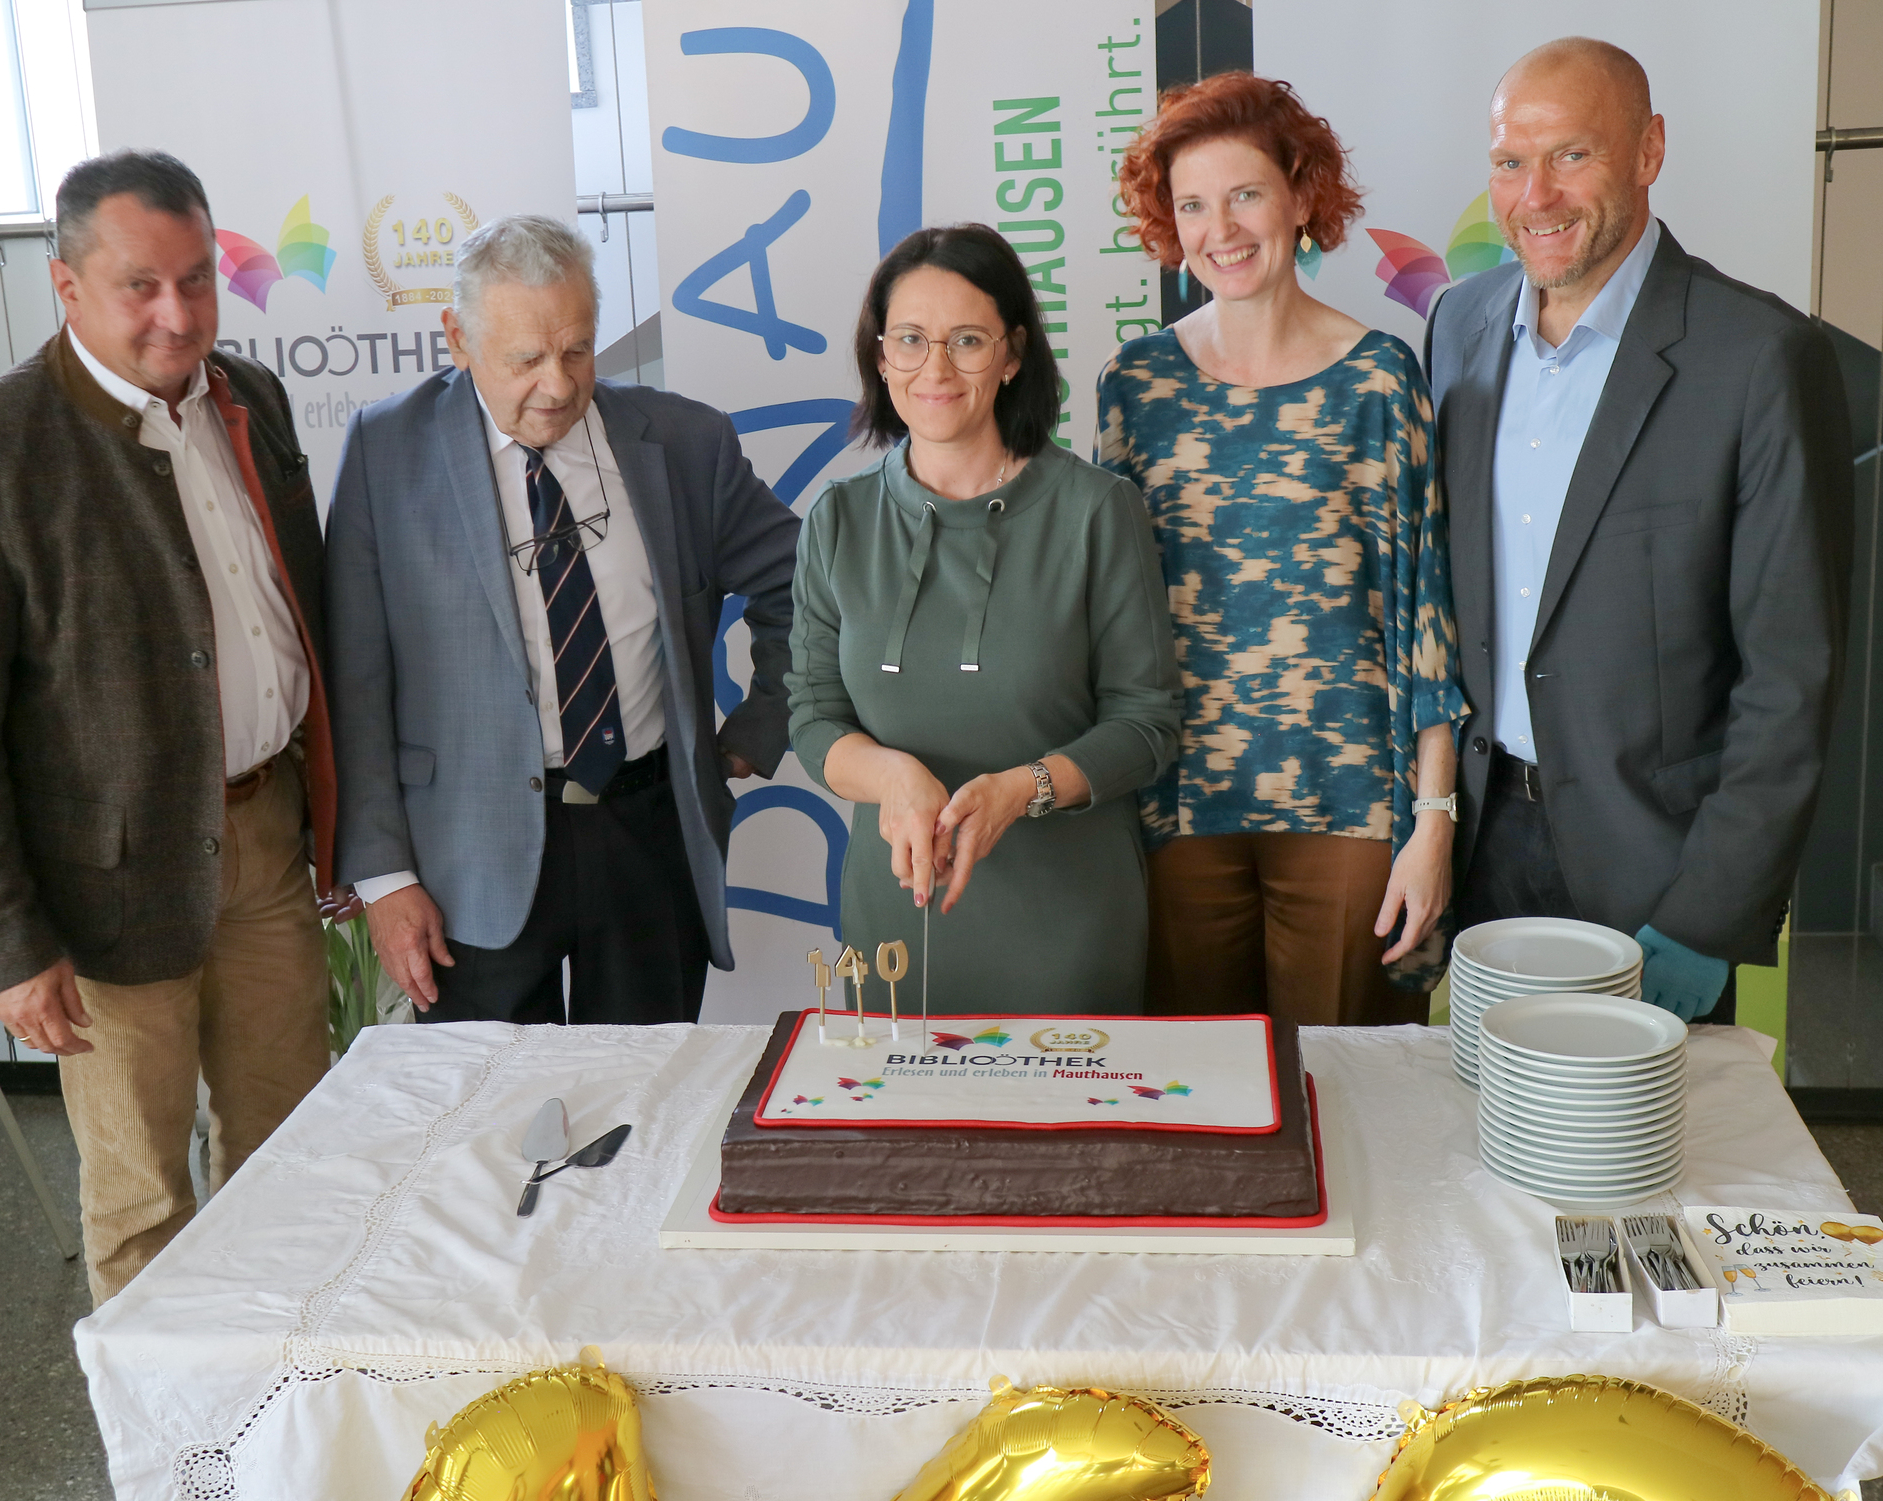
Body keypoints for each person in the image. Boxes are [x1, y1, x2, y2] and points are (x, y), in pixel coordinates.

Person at [0, 150, 337, 1304]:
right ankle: (172, 1469)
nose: (178, 313)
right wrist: (7, 944)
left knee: (290, 1154)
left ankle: (280, 1442)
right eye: (142, 284)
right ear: (66, 284)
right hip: (103, 895)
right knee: (145, 1197)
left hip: (264, 845)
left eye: (196, 280)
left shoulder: (251, 396)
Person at [1427, 38, 1851, 1021]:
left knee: (1654, 1167)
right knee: (1483, 1152)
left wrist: (1704, 918)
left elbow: (1789, 677)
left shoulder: (1759, 358)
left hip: (1654, 877)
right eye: (1506, 162)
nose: (1533, 195)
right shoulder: (1456, 326)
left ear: (1648, 150)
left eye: (1570, 155)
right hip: (1482, 854)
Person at [327, 215, 798, 1025]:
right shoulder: (386, 451)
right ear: (458, 338)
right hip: (466, 856)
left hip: (648, 832)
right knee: (488, 1122)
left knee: (644, 1105)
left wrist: (764, 720)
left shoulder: (686, 443)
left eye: (577, 351)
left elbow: (803, 583)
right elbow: (355, 676)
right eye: (525, 359)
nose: (557, 384)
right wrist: (384, 877)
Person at [1098, 74, 1468, 1026]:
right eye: (1191, 205)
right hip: (1176, 806)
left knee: (1350, 1096)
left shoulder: (1382, 377)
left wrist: (1435, 821)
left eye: (1245, 194)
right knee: (1196, 1100)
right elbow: (1106, 613)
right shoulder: (1133, 386)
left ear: (1303, 195)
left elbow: (1425, 611)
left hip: (1350, 806)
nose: (1220, 227)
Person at [787, 224, 1181, 1013]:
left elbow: (1147, 725)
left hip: (1067, 926)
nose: (935, 368)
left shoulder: (1098, 510)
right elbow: (812, 715)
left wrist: (1021, 789)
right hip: (895, 926)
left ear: (1012, 355)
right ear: (879, 356)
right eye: (909, 339)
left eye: (967, 339)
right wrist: (892, 776)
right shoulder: (837, 518)